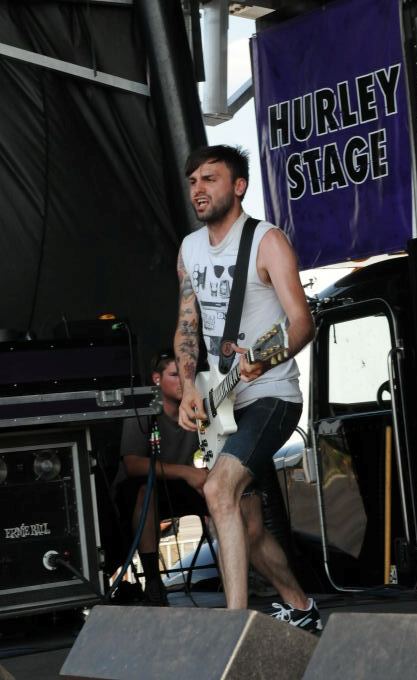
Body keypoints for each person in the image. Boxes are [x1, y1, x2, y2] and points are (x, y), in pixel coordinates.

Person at [174, 144, 322, 632]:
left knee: (218, 489)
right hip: (223, 399)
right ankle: (300, 606)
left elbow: (302, 322)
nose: (198, 189)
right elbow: (187, 326)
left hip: (272, 394)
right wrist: (190, 387)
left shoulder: (267, 241)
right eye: (193, 180)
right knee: (248, 526)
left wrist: (264, 358)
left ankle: (233, 628)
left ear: (238, 186)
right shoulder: (189, 249)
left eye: (209, 178)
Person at [115, 351, 208, 606]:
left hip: (180, 485)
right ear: (157, 379)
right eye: (174, 375)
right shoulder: (142, 408)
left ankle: (241, 569)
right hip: (141, 490)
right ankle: (153, 582)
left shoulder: (198, 406)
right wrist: (187, 472)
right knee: (145, 491)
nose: (183, 382)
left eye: (187, 375)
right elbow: (132, 464)